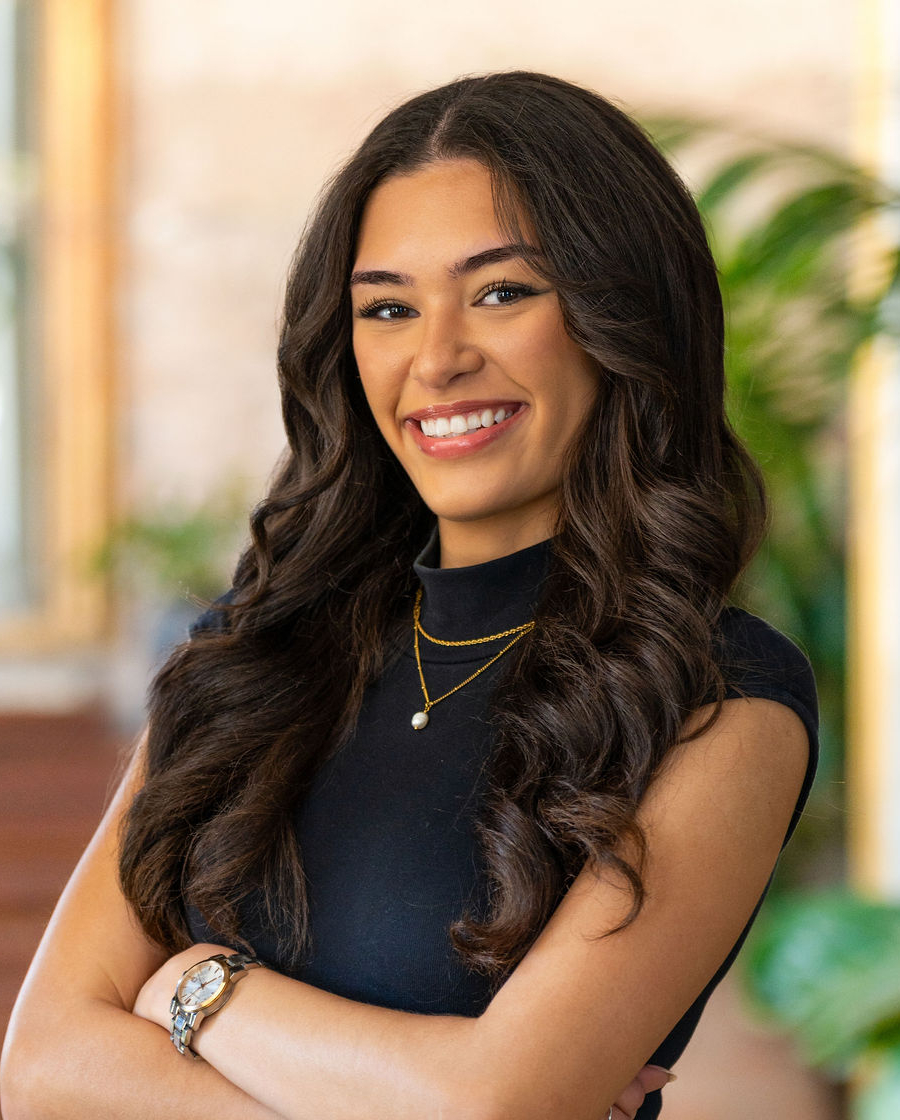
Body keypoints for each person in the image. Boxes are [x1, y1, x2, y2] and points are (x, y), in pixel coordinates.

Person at [0, 71, 817, 1120]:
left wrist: (194, 990)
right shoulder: (249, 655)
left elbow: (490, 1107)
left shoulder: (721, 698)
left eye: (502, 293)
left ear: (623, 316)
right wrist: (430, 1087)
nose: (437, 359)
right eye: (388, 307)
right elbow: (44, 1065)